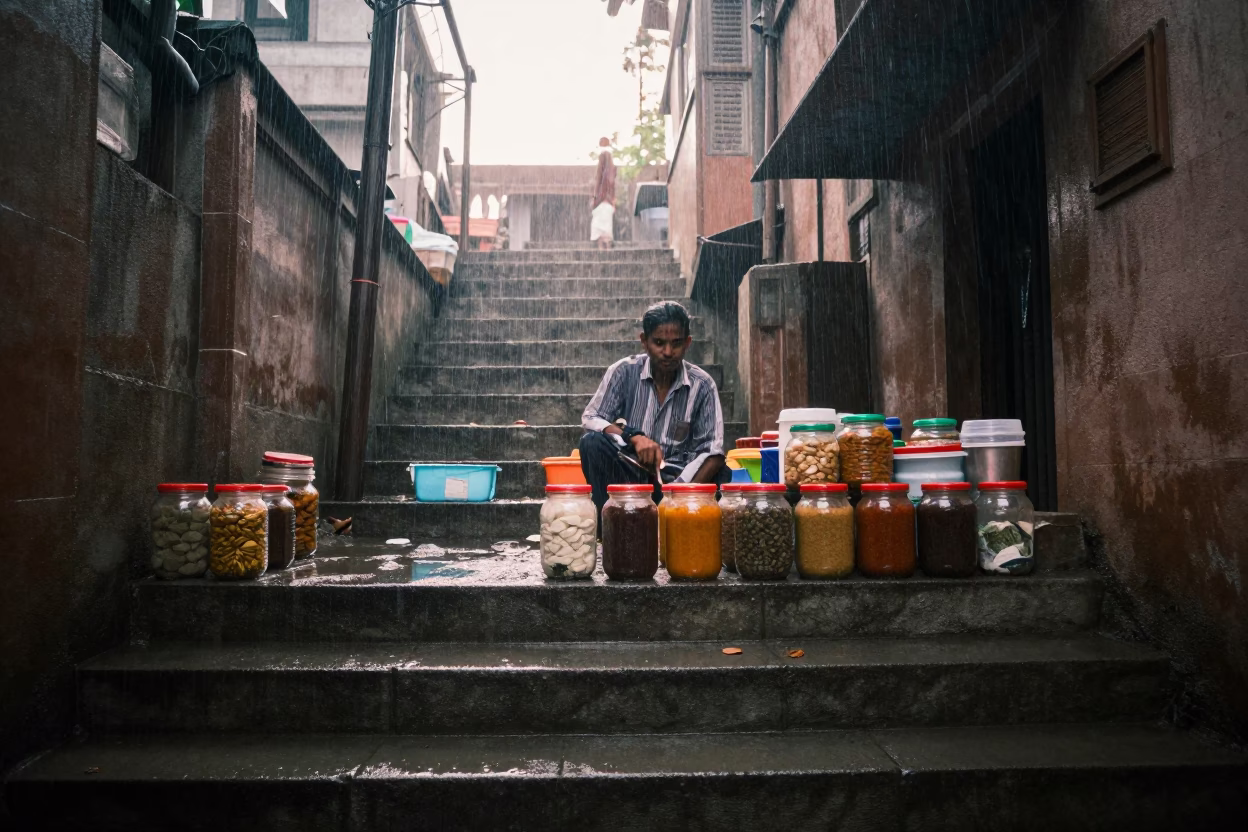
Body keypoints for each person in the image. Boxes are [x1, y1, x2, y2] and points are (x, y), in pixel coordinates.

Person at [579, 301, 726, 518]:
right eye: (659, 343)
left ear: (687, 343)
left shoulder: (703, 385)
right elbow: (591, 417)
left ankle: (681, 525)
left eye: (676, 343)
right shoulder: (623, 372)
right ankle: (610, 529)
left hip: (678, 483)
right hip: (630, 479)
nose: (668, 352)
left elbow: (713, 452)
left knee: (724, 475)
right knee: (591, 443)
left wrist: (680, 498)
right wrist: (633, 437)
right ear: (644, 342)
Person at [590, 137, 616, 250]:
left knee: (600, 226)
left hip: (602, 201)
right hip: (607, 202)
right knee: (605, 226)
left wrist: (595, 197)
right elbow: (611, 183)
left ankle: (602, 248)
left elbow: (599, 180)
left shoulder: (603, 162)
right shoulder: (611, 169)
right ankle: (607, 248)